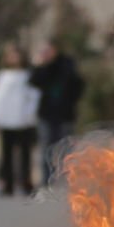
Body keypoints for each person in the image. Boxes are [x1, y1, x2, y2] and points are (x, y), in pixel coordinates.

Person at [29, 39, 85, 187]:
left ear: (55, 49)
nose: (46, 54)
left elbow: (77, 84)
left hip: (65, 115)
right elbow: (33, 81)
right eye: (44, 52)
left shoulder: (66, 64)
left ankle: (66, 181)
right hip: (46, 115)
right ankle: (46, 182)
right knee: (46, 149)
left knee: (66, 149)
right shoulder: (42, 67)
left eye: (48, 50)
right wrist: (40, 65)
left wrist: (71, 101)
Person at [0, 43, 41, 198]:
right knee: (6, 154)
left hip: (23, 121)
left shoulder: (28, 75)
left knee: (25, 154)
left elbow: (33, 96)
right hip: (6, 121)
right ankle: (7, 184)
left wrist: (29, 116)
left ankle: (26, 183)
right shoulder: (3, 75)